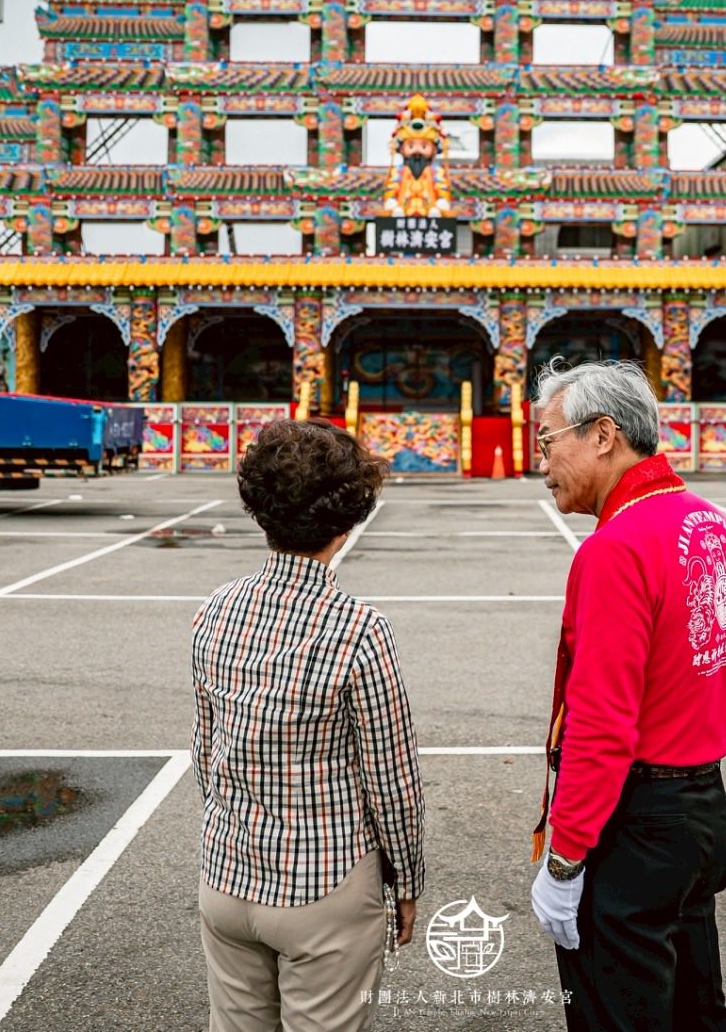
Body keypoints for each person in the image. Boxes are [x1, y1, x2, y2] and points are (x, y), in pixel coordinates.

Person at [529, 359, 726, 1031]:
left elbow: (601, 719)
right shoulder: (709, 522)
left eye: (547, 441)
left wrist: (565, 858)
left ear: (603, 435)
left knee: (616, 1011)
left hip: (636, 817)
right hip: (700, 806)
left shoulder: (617, 546)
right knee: (694, 1005)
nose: (542, 462)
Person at [192, 419, 425, 1032]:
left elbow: (205, 750)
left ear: (259, 508)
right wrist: (406, 880)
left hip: (227, 876)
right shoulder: (359, 629)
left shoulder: (215, 609)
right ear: (348, 523)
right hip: (323, 884)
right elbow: (391, 780)